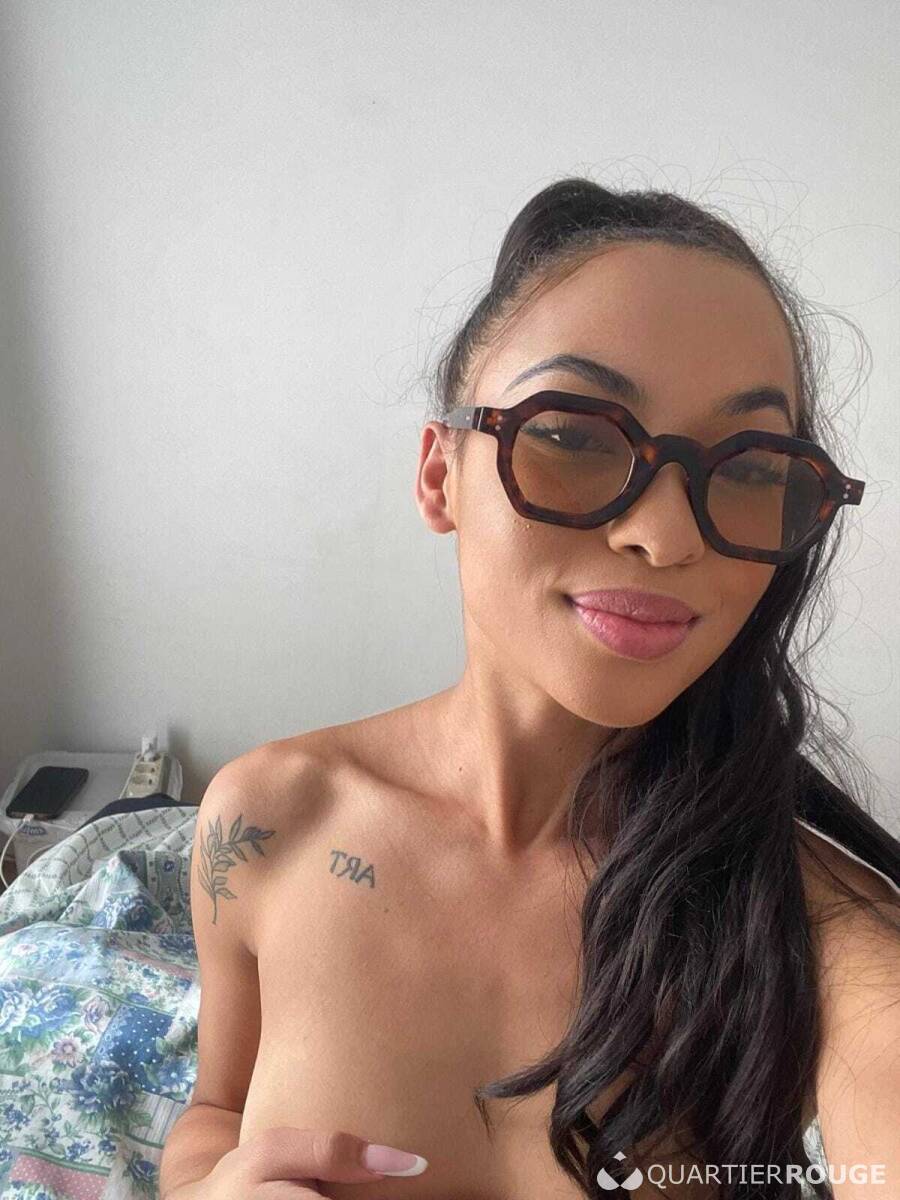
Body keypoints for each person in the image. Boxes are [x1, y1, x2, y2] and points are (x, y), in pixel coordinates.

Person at [159, 177, 900, 1200]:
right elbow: (213, 1112)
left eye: (748, 468)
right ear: (441, 475)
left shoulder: (819, 928)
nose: (666, 537)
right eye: (575, 436)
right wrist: (204, 1188)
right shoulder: (267, 821)